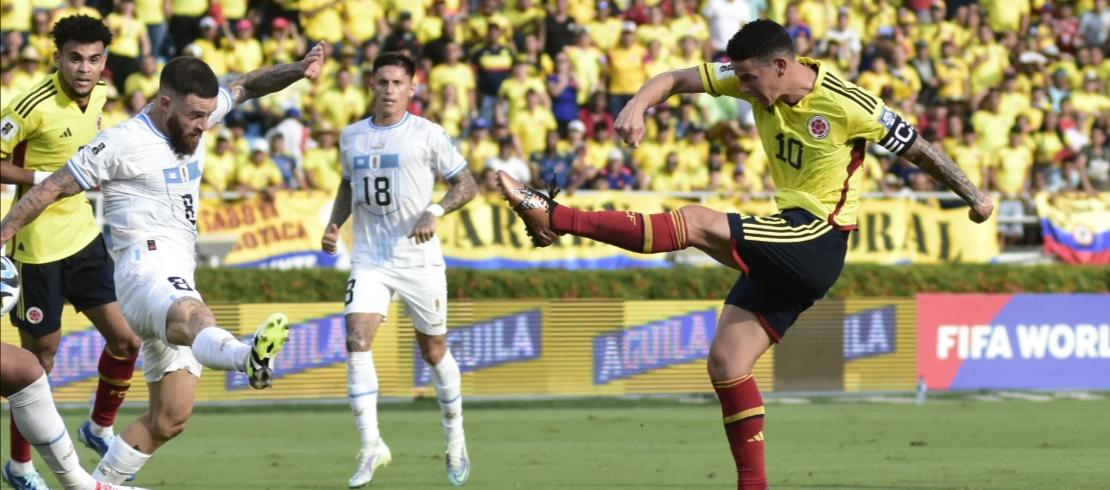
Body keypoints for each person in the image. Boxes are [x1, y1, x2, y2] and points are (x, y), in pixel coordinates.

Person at [495, 20, 993, 490]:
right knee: (728, 362)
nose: (745, 90)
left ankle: (553, 216)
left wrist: (976, 197)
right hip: (788, 240)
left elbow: (920, 148)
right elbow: (673, 77)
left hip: (816, 239)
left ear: (780, 66)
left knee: (695, 221)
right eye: (741, 78)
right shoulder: (747, 76)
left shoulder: (850, 103)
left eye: (752, 79)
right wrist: (636, 105)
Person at [0, 42, 329, 485]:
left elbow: (248, 85)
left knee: (170, 417)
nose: (202, 125)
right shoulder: (119, 143)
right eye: (195, 116)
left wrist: (299, 68)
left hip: (179, 272)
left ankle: (102, 483)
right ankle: (245, 356)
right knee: (194, 313)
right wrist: (1, 238)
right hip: (144, 273)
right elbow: (49, 190)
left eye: (207, 115)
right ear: (164, 102)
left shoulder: (199, 114)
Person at [319, 52, 478, 488]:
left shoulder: (427, 134)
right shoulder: (351, 136)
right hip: (370, 257)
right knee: (356, 338)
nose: (389, 90)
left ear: (412, 88)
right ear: (371, 86)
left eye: (397, 83)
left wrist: (435, 211)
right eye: (382, 82)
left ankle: (455, 438)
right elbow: (348, 184)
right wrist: (335, 225)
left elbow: (467, 184)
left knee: (433, 351)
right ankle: (371, 445)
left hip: (419, 259)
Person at [0, 16, 144, 490]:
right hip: (36, 247)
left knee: (126, 341)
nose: (85, 68)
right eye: (75, 58)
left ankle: (98, 427)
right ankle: (20, 467)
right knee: (37, 367)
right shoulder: (29, 104)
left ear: (104, 60)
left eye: (94, 59)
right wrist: (43, 180)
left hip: (84, 236)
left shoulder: (102, 95)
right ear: (58, 57)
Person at [0, 258, 144, 490]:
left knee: (26, 371)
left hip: (82, 244)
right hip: (37, 255)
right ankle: (24, 466)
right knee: (34, 362)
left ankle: (83, 479)